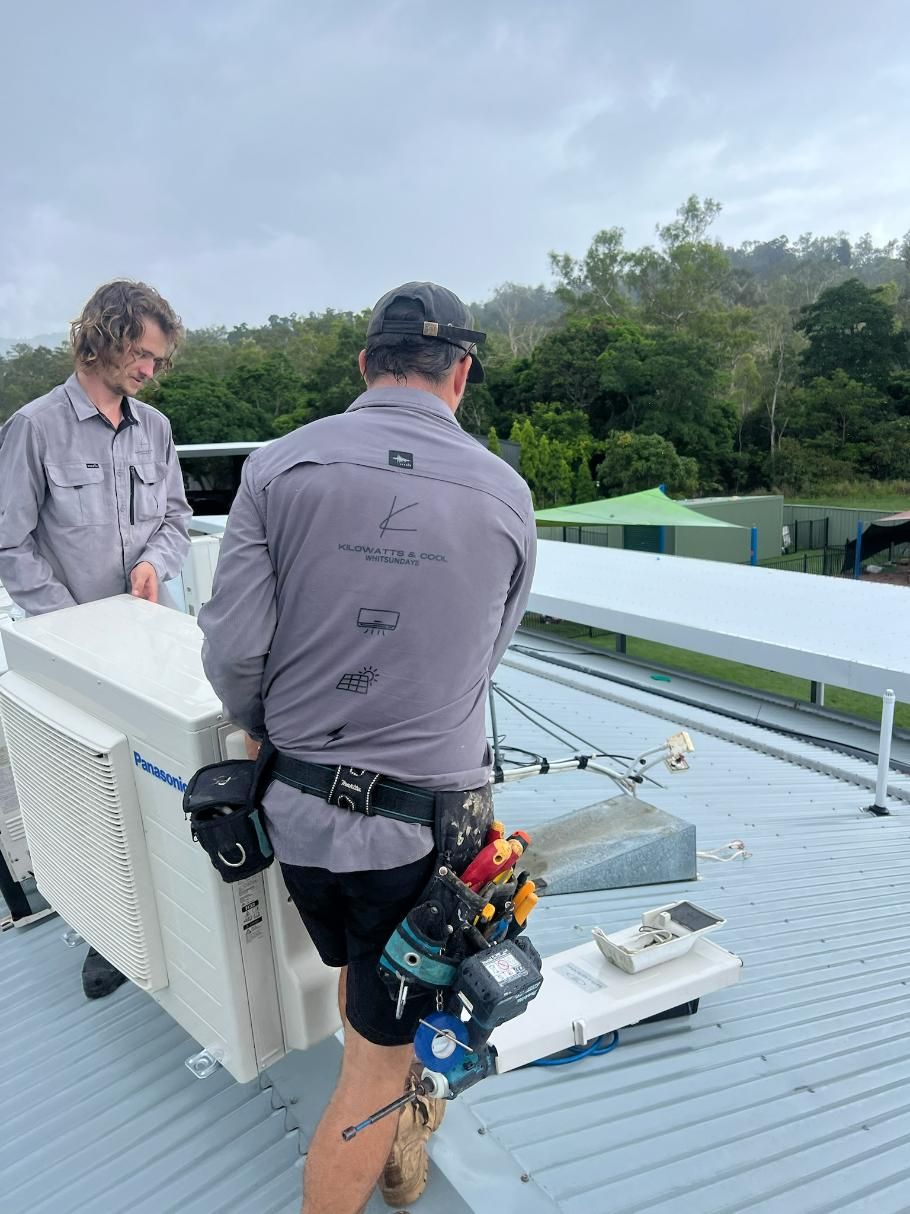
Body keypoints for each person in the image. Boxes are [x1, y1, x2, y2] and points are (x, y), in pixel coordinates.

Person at [199, 282, 536, 1214]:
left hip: (301, 821)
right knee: (380, 1068)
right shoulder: (506, 494)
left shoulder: (277, 467)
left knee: (364, 989)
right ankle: (380, 1138)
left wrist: (273, 721)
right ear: (461, 374)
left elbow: (232, 650)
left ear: (363, 366)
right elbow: (484, 656)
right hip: (429, 841)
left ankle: (396, 1149)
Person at [0, 279, 192, 996]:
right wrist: (73, 622)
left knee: (172, 783)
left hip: (154, 644)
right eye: (140, 354)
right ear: (100, 339)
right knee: (98, 800)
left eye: (157, 360)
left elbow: (175, 518)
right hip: (74, 654)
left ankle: (180, 913)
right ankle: (111, 936)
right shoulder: (33, 428)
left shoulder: (158, 430)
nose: (148, 370)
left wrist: (152, 564)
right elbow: (8, 542)